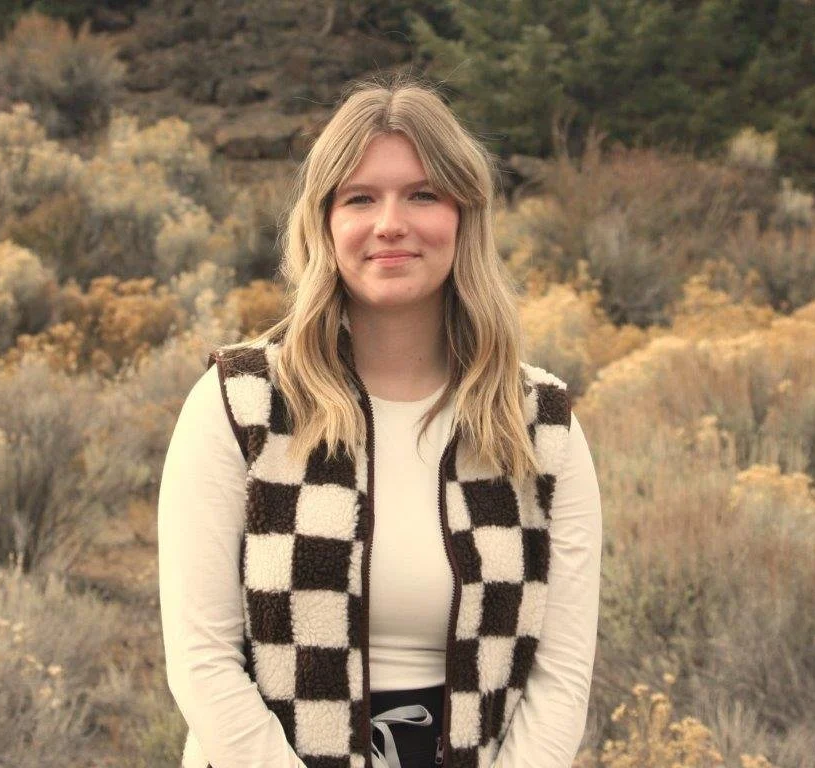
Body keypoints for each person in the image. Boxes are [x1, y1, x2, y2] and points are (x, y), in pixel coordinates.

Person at [158, 74, 602, 768]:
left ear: (463, 215)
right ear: (325, 223)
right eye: (359, 198)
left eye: (422, 194)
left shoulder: (540, 426)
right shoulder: (239, 405)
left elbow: (560, 677)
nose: (390, 222)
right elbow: (201, 661)